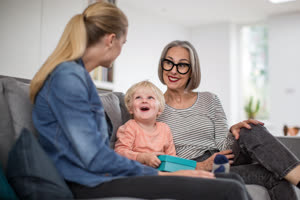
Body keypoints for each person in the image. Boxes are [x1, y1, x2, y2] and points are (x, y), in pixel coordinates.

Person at [29, 2, 251, 200]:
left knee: (232, 182)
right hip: (88, 182)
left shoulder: (78, 78)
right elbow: (95, 158)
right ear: (110, 40)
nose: (120, 51)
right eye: (123, 43)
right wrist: (159, 174)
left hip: (101, 176)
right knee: (228, 190)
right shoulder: (68, 79)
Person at [157, 40, 300, 200]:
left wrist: (233, 131)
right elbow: (153, 160)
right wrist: (202, 166)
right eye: (168, 62)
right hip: (193, 167)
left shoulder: (210, 99)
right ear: (162, 65)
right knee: (274, 175)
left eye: (182, 65)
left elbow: (223, 145)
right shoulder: (152, 107)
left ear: (192, 71)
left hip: (223, 158)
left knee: (249, 128)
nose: (173, 71)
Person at [115, 80, 176, 168]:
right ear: (130, 108)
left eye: (150, 97)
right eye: (138, 97)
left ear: (159, 109)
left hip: (161, 173)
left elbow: (171, 157)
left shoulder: (165, 129)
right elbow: (119, 153)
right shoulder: (130, 127)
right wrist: (142, 157)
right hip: (136, 172)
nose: (144, 101)